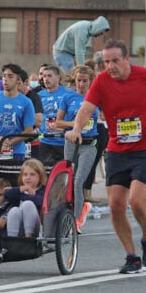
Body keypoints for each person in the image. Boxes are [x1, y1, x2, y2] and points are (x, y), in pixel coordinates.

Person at [65, 40, 146, 273]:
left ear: (127, 59)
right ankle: (131, 256)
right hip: (118, 150)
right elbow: (86, 108)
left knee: (136, 200)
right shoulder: (102, 81)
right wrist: (76, 128)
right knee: (116, 205)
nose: (110, 66)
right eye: (106, 62)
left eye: (115, 60)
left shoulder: (145, 76)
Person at [56, 65, 100, 231]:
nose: (81, 84)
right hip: (71, 143)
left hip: (89, 145)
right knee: (68, 181)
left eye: (85, 81)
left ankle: (75, 221)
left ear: (91, 81)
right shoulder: (68, 97)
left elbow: (106, 115)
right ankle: (66, 214)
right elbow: (58, 122)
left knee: (78, 181)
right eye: (78, 80)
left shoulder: (96, 98)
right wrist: (74, 125)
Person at [0, 64, 36, 186]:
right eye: (4, 76)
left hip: (16, 152)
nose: (6, 79)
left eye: (10, 76)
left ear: (18, 80)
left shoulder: (26, 102)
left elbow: (28, 131)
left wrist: (10, 142)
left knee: (14, 185)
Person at [36, 64, 71, 171]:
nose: (46, 79)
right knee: (45, 173)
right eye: (44, 76)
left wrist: (64, 126)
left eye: (49, 76)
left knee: (63, 173)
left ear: (58, 78)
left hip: (63, 141)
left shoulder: (68, 94)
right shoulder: (38, 95)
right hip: (45, 141)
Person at [4, 158, 46, 237]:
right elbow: (6, 194)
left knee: (27, 204)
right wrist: (21, 189)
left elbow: (39, 201)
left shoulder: (43, 191)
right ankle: (12, 240)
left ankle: (28, 237)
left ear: (40, 177)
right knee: (14, 210)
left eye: (32, 174)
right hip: (19, 227)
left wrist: (23, 195)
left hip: (36, 226)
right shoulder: (20, 191)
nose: (28, 177)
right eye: (25, 174)